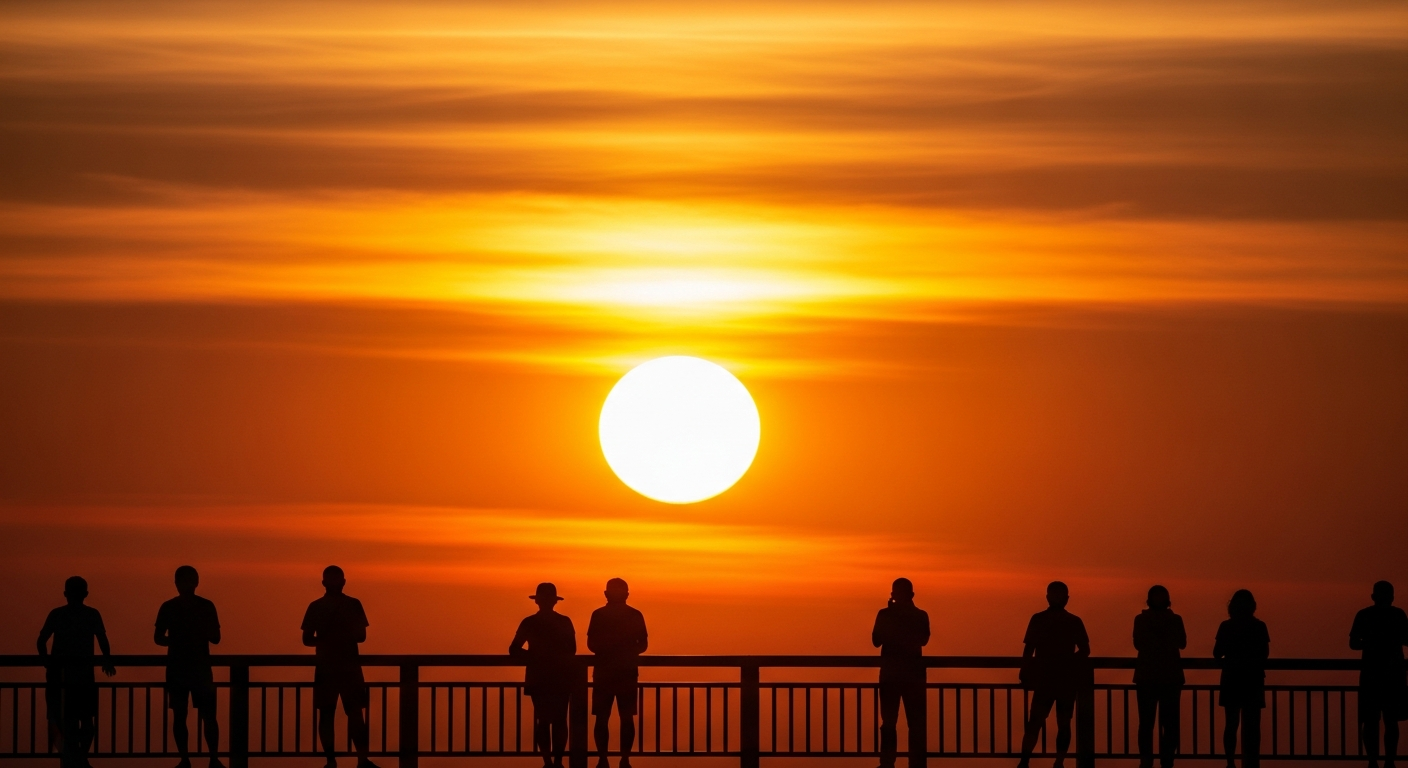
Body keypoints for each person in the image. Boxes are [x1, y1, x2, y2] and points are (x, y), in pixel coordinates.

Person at [301, 566, 377, 768]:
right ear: (343, 582)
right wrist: (342, 637)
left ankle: (331, 761)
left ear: (323, 583)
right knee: (354, 714)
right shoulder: (353, 605)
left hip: (327, 668)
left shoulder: (316, 606)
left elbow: (307, 639)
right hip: (349, 667)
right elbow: (361, 636)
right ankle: (361, 760)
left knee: (327, 714)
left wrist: (326, 640)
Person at [37, 576, 117, 768]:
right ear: (86, 595)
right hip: (82, 676)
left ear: (65, 594)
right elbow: (103, 640)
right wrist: (107, 659)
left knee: (64, 721)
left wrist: (48, 663)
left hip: (60, 677)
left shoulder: (57, 614)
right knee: (86, 721)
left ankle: (72, 760)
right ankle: (80, 758)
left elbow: (41, 641)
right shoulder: (92, 615)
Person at [154, 566, 224, 768]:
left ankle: (185, 759)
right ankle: (213, 758)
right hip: (201, 668)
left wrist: (176, 641)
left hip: (177, 668)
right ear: (197, 582)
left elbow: (158, 638)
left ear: (176, 583)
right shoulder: (206, 606)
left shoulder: (168, 607)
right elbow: (216, 638)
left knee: (180, 715)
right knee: (208, 716)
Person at [1017, 581, 1090, 768]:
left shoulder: (1039, 619)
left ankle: (1028, 760)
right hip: (1060, 680)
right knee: (1055, 722)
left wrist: (1025, 671)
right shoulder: (1073, 621)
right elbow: (1084, 650)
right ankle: (1056, 761)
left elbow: (1029, 650)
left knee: (1042, 722)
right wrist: (1069, 662)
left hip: (1049, 679)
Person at [511, 583, 578, 768]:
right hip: (560, 677)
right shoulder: (564, 622)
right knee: (559, 720)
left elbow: (514, 649)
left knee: (543, 720)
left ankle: (548, 761)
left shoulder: (529, 622)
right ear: (554, 602)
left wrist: (534, 657)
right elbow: (572, 649)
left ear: (537, 601)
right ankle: (557, 761)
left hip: (538, 677)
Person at [587, 578, 648, 768]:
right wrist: (627, 652)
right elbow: (643, 645)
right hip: (627, 673)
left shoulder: (598, 615)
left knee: (602, 718)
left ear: (606, 594)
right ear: (627, 595)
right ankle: (625, 759)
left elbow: (591, 644)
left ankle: (603, 759)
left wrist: (608, 650)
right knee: (626, 718)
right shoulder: (635, 615)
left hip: (604, 673)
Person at [872, 578, 930, 768]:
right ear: (912, 595)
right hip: (914, 677)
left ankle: (887, 763)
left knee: (889, 722)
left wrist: (891, 616)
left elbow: (876, 640)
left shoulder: (886, 614)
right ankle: (916, 763)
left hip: (890, 676)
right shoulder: (921, 615)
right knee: (914, 724)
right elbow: (923, 640)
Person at [1350, 581, 1408, 768]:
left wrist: (1370, 643)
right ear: (1392, 597)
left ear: (1373, 597)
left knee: (1371, 721)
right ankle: (1389, 761)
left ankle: (1372, 761)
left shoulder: (1364, 615)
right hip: (1394, 676)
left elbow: (1353, 643)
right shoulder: (1398, 615)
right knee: (1391, 721)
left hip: (1371, 675)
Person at [1214, 589, 1269, 768]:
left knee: (1231, 723)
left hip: (1231, 678)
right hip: (1253, 679)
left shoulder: (1226, 626)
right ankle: (1251, 761)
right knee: (1252, 725)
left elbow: (1217, 653)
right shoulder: (1259, 627)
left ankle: (1230, 762)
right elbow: (1264, 653)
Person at [1134, 585, 1187, 768]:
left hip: (1154, 677)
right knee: (1154, 724)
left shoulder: (1142, 620)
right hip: (1163, 678)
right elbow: (1181, 642)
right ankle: (1154, 762)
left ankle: (1160, 762)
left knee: (1160, 725)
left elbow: (1140, 643)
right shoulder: (1172, 620)